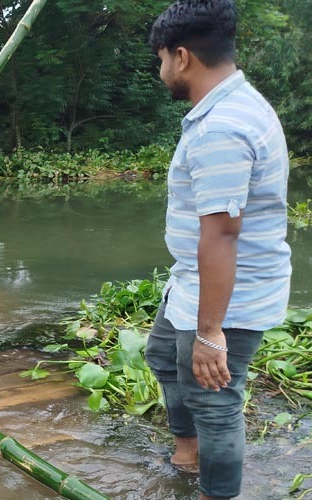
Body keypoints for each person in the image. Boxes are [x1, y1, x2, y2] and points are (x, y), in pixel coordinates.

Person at [141, 2, 292, 498]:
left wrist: (210, 332)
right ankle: (187, 455)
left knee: (214, 399)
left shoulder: (221, 127)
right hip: (195, 279)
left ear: (182, 56)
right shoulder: (237, 105)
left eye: (162, 59)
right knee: (162, 355)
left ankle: (216, 492)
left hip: (229, 292)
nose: (161, 71)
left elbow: (223, 234)